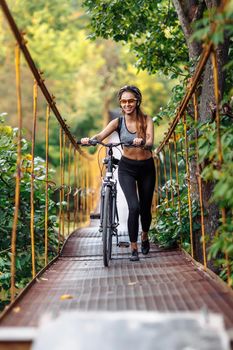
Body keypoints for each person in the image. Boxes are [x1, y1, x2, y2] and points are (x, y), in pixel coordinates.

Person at [81, 85, 155, 262]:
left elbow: (151, 141)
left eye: (130, 101)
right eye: (123, 102)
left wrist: (143, 142)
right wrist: (90, 140)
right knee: (134, 207)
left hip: (146, 167)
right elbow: (100, 136)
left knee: (145, 209)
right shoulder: (118, 122)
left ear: (137, 102)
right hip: (127, 168)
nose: (127, 104)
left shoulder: (146, 120)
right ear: (120, 104)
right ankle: (134, 247)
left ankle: (144, 235)